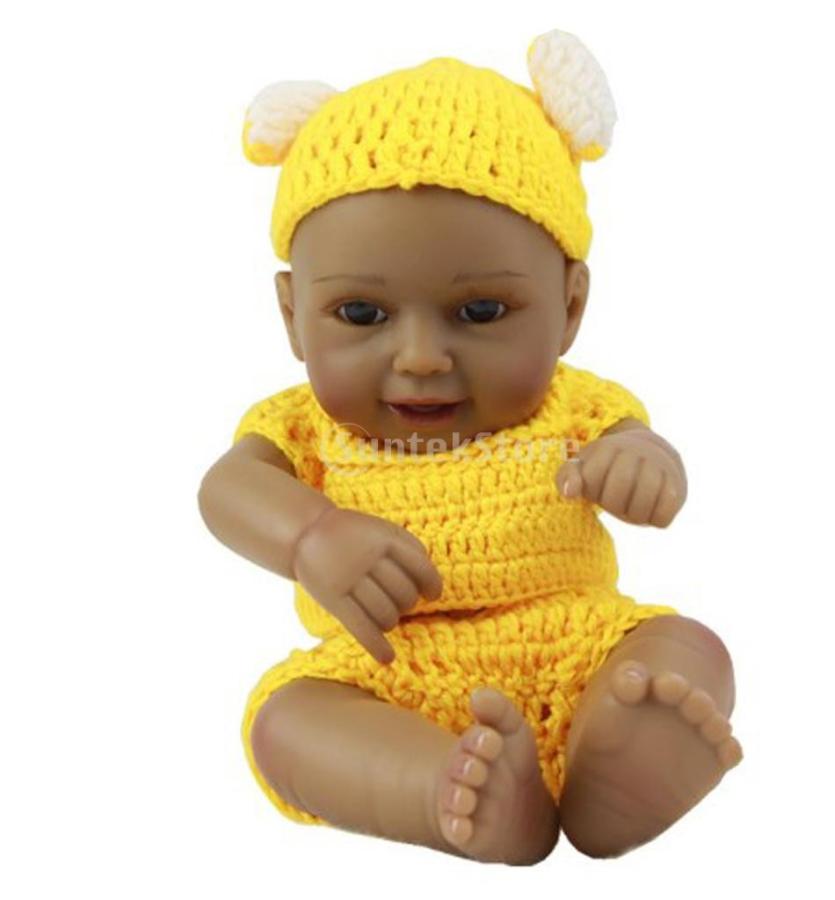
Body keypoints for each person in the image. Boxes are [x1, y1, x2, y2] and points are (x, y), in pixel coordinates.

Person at [197, 29, 742, 865]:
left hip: (576, 649)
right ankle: (445, 787)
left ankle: (616, 760)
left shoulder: (575, 405)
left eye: (480, 312)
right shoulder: (304, 426)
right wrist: (309, 534)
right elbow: (228, 488)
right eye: (362, 314)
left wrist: (641, 464)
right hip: (384, 674)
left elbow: (639, 445)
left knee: (684, 649)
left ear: (570, 308)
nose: (420, 356)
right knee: (285, 722)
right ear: (291, 316)